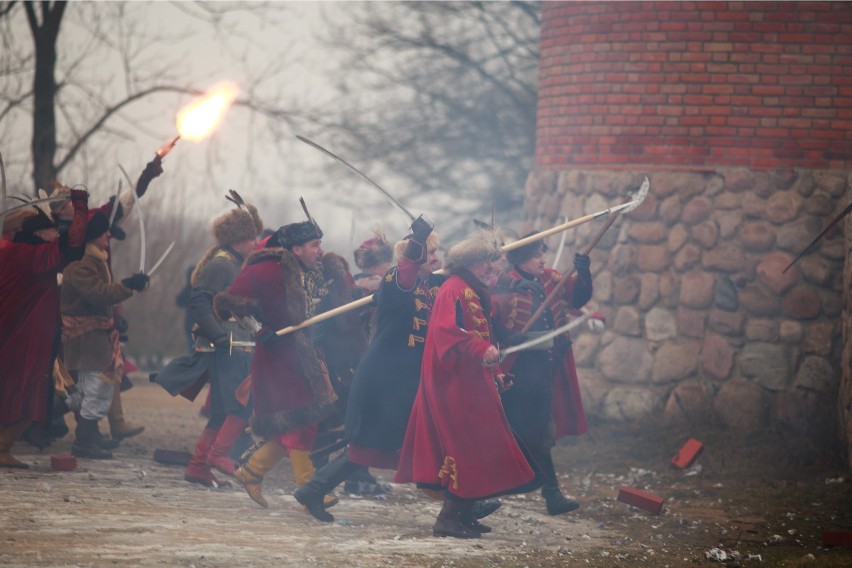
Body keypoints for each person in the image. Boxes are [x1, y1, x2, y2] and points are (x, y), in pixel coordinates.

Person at [294, 217, 442, 521]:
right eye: (431, 254)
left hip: (402, 381)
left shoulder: (426, 286)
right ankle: (461, 503)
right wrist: (418, 240)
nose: (437, 259)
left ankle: (312, 489)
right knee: (368, 447)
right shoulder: (398, 280)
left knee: (400, 444)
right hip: (384, 381)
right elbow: (407, 269)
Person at [394, 231, 540, 539]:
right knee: (464, 449)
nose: (491, 268)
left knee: (478, 447)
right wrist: (480, 351)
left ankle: (464, 516)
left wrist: (496, 371)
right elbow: (448, 332)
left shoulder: (470, 290)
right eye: (486, 262)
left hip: (470, 382)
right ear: (470, 263)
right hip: (453, 385)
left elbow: (481, 338)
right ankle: (448, 520)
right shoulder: (453, 290)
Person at [214, 213, 337, 508]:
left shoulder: (307, 270)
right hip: (276, 359)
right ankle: (310, 489)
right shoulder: (265, 268)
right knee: (301, 421)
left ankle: (251, 471)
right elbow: (228, 304)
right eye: (314, 244)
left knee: (296, 422)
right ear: (296, 248)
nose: (320, 250)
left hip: (301, 356)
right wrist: (259, 330)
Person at [152, 198, 263, 485]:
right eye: (253, 238)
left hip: (235, 343)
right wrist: (219, 335)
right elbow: (199, 301)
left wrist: (259, 331)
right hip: (225, 346)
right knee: (240, 404)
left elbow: (236, 308)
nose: (256, 243)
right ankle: (219, 454)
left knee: (221, 411)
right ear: (240, 239)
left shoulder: (235, 264)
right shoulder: (221, 265)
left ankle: (198, 466)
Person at [491, 234, 593, 515]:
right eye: (537, 254)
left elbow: (578, 297)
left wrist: (583, 271)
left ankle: (551, 492)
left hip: (546, 363)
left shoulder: (551, 278)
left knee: (540, 427)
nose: (543, 259)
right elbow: (489, 320)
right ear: (522, 259)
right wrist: (508, 335)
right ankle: (482, 492)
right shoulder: (502, 281)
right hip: (515, 365)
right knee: (513, 429)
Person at [0, 190, 88, 468]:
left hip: (13, 333)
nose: (55, 233)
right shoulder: (32, 257)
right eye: (50, 230)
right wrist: (80, 206)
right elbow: (73, 245)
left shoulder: (7, 250)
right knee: (26, 393)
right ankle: (2, 446)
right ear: (38, 234)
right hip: (24, 337)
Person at [60, 211, 150, 459]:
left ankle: (88, 438)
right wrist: (128, 286)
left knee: (99, 389)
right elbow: (99, 294)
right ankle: (84, 442)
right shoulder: (79, 267)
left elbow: (102, 299)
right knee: (95, 389)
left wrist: (119, 312)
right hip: (85, 340)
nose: (108, 235)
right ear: (92, 237)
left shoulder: (95, 263)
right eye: (103, 232)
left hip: (95, 339)